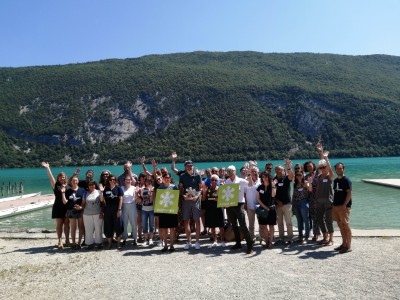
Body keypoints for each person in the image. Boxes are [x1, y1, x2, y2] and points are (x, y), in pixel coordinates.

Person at [309, 143, 335, 246]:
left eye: (325, 168)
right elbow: (321, 163)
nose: (323, 169)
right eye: (322, 168)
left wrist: (326, 159)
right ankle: (325, 236)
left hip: (328, 201)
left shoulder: (330, 177)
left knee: (328, 220)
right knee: (319, 219)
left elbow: (328, 167)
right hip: (319, 201)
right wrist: (320, 153)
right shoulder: (319, 177)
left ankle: (331, 239)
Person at [225, 165, 254, 254]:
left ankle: (250, 245)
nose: (229, 173)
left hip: (239, 204)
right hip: (230, 205)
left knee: (243, 225)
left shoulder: (241, 181)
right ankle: (238, 243)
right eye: (228, 172)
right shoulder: (227, 181)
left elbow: (250, 185)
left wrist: (249, 175)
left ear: (235, 171)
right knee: (234, 225)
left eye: (231, 171)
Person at [41, 162, 70, 248]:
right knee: (59, 224)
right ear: (58, 178)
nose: (62, 178)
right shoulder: (56, 185)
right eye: (60, 177)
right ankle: (60, 241)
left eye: (63, 177)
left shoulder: (68, 186)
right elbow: (51, 178)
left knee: (67, 224)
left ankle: (67, 241)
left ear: (65, 178)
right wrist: (48, 168)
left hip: (66, 207)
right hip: (58, 207)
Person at [179, 160, 203, 250]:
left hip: (195, 200)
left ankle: (197, 241)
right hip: (186, 201)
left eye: (191, 166)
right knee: (186, 220)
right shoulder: (182, 176)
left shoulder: (197, 175)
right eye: (188, 166)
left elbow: (200, 189)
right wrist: (183, 195)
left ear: (193, 166)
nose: (189, 167)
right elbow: (181, 188)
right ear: (185, 167)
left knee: (197, 220)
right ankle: (188, 241)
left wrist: (197, 196)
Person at [332, 162, 353, 253]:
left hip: (344, 207)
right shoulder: (336, 180)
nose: (339, 170)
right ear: (335, 169)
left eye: (341, 168)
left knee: (346, 226)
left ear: (343, 169)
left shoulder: (346, 180)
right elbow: (336, 193)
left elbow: (349, 193)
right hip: (336, 207)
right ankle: (343, 244)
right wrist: (333, 205)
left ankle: (348, 246)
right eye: (337, 168)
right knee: (340, 226)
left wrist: (344, 205)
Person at [156, 172, 179, 252]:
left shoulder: (174, 187)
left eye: (168, 177)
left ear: (170, 178)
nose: (167, 179)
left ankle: (172, 245)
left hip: (172, 210)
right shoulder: (160, 188)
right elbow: (158, 200)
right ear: (163, 178)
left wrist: (177, 209)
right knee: (164, 229)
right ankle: (165, 245)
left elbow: (176, 199)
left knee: (172, 228)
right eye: (165, 177)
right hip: (163, 211)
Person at [61, 175, 86, 249]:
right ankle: (74, 243)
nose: (75, 182)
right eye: (73, 180)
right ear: (71, 182)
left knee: (81, 227)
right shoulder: (68, 191)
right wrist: (62, 193)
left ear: (78, 181)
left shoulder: (82, 190)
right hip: (71, 211)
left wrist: (81, 207)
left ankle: (79, 243)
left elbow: (84, 201)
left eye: (76, 180)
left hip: (80, 210)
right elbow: (65, 202)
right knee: (73, 227)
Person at [202, 174, 226, 247]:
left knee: (221, 226)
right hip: (210, 209)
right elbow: (203, 199)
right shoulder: (208, 189)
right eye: (212, 180)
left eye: (216, 180)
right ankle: (215, 240)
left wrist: (218, 200)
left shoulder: (220, 189)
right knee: (212, 226)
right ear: (210, 181)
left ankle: (222, 240)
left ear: (218, 181)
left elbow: (224, 199)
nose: (214, 181)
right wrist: (204, 192)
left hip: (219, 209)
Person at [273, 160, 294, 244]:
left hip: (287, 204)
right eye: (276, 169)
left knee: (288, 222)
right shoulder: (274, 180)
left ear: (283, 170)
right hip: (278, 205)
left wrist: (289, 167)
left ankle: (290, 238)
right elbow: (272, 194)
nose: (278, 171)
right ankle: (281, 238)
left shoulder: (286, 178)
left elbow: (292, 176)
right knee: (280, 223)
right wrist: (277, 202)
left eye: (280, 169)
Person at [101, 174, 123, 249]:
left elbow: (121, 199)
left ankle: (118, 244)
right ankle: (109, 244)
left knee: (118, 226)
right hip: (108, 209)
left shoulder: (118, 188)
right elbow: (102, 200)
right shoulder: (106, 189)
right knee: (108, 226)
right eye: (111, 179)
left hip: (116, 209)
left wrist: (119, 209)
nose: (112, 181)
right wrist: (101, 191)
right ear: (108, 181)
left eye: (114, 179)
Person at [256, 171, 277, 249]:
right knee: (264, 226)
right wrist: (264, 207)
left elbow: (273, 195)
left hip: (271, 209)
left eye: (266, 176)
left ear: (269, 177)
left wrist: (273, 186)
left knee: (271, 226)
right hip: (263, 209)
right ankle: (267, 241)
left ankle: (270, 242)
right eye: (263, 177)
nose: (265, 178)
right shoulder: (260, 187)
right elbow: (258, 199)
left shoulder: (272, 186)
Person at [82, 180, 103, 249]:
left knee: (98, 229)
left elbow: (102, 203)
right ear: (88, 186)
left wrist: (102, 212)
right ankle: (89, 243)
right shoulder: (85, 193)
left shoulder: (99, 192)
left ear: (95, 185)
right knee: (88, 229)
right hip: (87, 214)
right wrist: (80, 207)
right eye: (90, 185)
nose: (91, 186)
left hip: (98, 213)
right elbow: (83, 203)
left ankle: (99, 243)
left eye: (93, 184)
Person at [292, 171, 310, 244]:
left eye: (300, 175)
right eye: (297, 175)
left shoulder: (305, 183)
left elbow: (309, 189)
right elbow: (294, 194)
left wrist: (308, 183)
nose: (298, 176)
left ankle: (306, 237)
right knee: (299, 220)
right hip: (296, 203)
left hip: (304, 202)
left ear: (303, 175)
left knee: (306, 220)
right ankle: (300, 236)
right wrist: (292, 203)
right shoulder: (295, 184)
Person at [304, 161, 320, 241]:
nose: (309, 168)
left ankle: (322, 233)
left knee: (320, 217)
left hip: (319, 197)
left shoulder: (318, 173)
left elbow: (322, 163)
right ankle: (316, 233)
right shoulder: (306, 177)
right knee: (313, 217)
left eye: (310, 166)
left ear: (313, 166)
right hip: (311, 199)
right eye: (308, 167)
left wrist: (321, 153)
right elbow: (308, 189)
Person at [121, 175, 138, 246]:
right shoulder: (121, 188)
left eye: (129, 180)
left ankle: (135, 238)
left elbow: (137, 199)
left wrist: (137, 193)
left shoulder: (134, 188)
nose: (128, 181)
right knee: (124, 223)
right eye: (126, 180)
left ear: (131, 181)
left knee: (133, 223)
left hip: (132, 205)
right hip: (124, 206)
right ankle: (124, 238)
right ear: (124, 181)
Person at [245, 166, 261, 241]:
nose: (254, 173)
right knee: (251, 224)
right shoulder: (246, 181)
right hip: (250, 205)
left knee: (261, 223)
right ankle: (251, 238)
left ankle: (261, 237)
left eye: (256, 171)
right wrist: (244, 203)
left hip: (259, 205)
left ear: (258, 173)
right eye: (253, 171)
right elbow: (244, 193)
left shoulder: (261, 180)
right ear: (250, 173)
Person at [138, 176, 155, 245]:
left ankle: (150, 239)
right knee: (144, 224)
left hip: (151, 209)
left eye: (150, 181)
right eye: (147, 181)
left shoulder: (154, 189)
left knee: (151, 224)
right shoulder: (143, 190)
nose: (148, 183)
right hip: (144, 209)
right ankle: (145, 239)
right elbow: (141, 200)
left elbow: (151, 200)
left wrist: (151, 193)